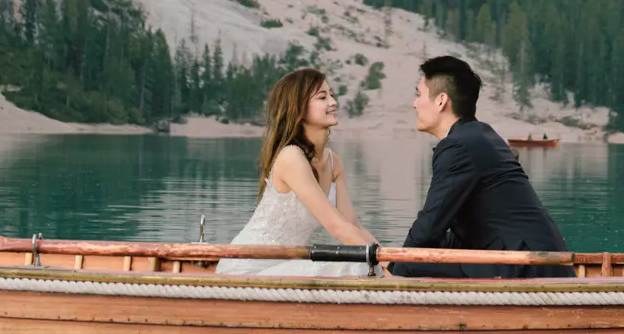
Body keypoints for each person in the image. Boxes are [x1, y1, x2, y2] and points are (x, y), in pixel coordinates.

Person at [391, 55, 572, 278]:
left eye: (419, 95)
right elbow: (440, 230)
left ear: (441, 101)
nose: (414, 103)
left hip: (524, 266)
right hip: (538, 259)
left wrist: (393, 266)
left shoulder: (458, 147)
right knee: (428, 249)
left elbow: (429, 225)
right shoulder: (481, 135)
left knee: (407, 265)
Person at [216, 67, 377, 275]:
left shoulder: (332, 161)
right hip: (249, 266)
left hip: (284, 266)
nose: (333, 102)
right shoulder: (291, 157)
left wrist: (391, 261)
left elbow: (352, 224)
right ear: (299, 109)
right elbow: (336, 226)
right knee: (355, 266)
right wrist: (382, 263)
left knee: (363, 264)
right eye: (322, 97)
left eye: (332, 95)